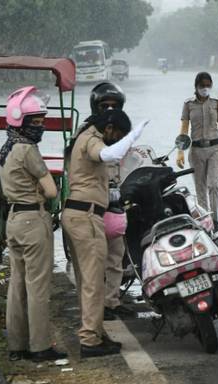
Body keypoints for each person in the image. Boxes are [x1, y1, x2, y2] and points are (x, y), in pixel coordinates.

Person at [62, 109, 145, 358]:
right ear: (109, 128)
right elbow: (109, 153)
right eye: (118, 133)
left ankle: (94, 333)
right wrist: (132, 137)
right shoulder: (92, 139)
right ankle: (90, 340)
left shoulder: (84, 135)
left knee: (89, 282)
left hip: (80, 215)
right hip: (86, 217)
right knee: (93, 282)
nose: (116, 138)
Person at [0, 86, 66, 362]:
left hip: (13, 220)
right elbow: (51, 191)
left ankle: (17, 346)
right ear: (21, 121)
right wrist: (46, 191)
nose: (40, 127)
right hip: (32, 220)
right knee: (37, 286)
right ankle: (39, 347)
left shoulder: (8, 147)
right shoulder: (28, 150)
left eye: (41, 121)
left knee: (17, 285)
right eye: (35, 122)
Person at [86, 82, 135, 321]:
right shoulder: (88, 134)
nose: (109, 110)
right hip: (91, 205)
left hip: (115, 204)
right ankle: (94, 308)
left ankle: (112, 301)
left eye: (114, 106)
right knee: (95, 260)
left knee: (116, 256)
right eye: (104, 106)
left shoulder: (121, 134)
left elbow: (132, 160)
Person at [176, 72, 218, 234]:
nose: (205, 88)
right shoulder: (188, 104)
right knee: (200, 189)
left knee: (213, 184)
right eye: (202, 86)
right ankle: (206, 222)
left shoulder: (216, 103)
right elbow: (184, 128)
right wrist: (180, 151)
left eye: (208, 85)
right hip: (196, 150)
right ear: (196, 87)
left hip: (215, 149)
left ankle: (215, 219)